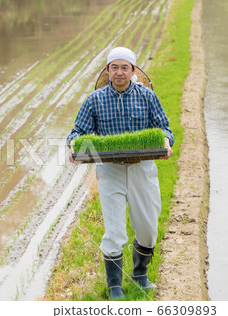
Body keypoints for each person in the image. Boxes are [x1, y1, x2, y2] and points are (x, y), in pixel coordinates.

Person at [66, 47, 174, 300]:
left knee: (147, 228)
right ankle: (114, 287)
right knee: (114, 231)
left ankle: (140, 275)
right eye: (114, 67)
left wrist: (167, 142)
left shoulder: (147, 96)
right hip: (110, 171)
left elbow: (164, 128)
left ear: (133, 70)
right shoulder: (94, 100)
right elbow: (77, 133)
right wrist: (73, 146)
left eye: (125, 67)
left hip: (142, 169)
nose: (119, 72)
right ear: (107, 70)